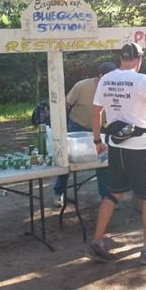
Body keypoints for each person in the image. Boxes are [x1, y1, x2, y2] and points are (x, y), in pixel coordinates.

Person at [88, 42, 146, 265]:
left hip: (115, 146)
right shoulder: (142, 80)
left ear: (121, 57)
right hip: (139, 147)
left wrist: (97, 140)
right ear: (139, 59)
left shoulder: (106, 78)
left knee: (112, 193)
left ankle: (97, 241)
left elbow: (96, 110)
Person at [52, 61, 117, 207]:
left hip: (99, 128)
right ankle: (58, 191)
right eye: (107, 78)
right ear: (99, 76)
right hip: (77, 126)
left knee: (103, 159)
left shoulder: (115, 86)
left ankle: (105, 197)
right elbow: (65, 104)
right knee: (67, 160)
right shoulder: (82, 86)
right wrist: (60, 126)